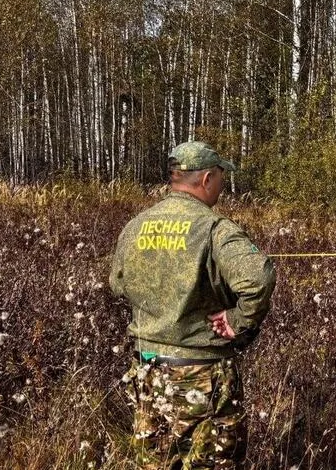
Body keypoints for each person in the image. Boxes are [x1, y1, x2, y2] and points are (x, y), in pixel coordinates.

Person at [110, 141, 276, 469]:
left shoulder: (136, 226)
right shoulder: (215, 229)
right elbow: (259, 278)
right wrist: (237, 320)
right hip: (202, 376)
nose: (222, 185)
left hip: (147, 371)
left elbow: (118, 283)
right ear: (207, 179)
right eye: (221, 177)